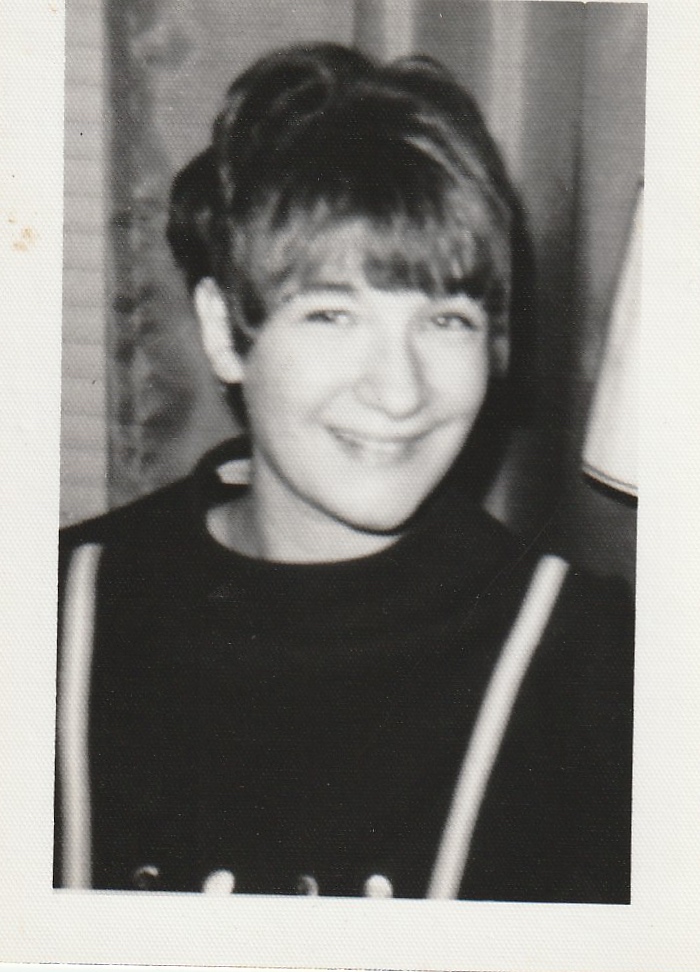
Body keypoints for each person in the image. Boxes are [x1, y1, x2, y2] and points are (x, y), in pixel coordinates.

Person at [55, 42, 633, 901]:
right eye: (332, 313)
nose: (399, 391)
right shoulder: (58, 611)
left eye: (447, 319)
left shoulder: (597, 667)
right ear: (223, 331)